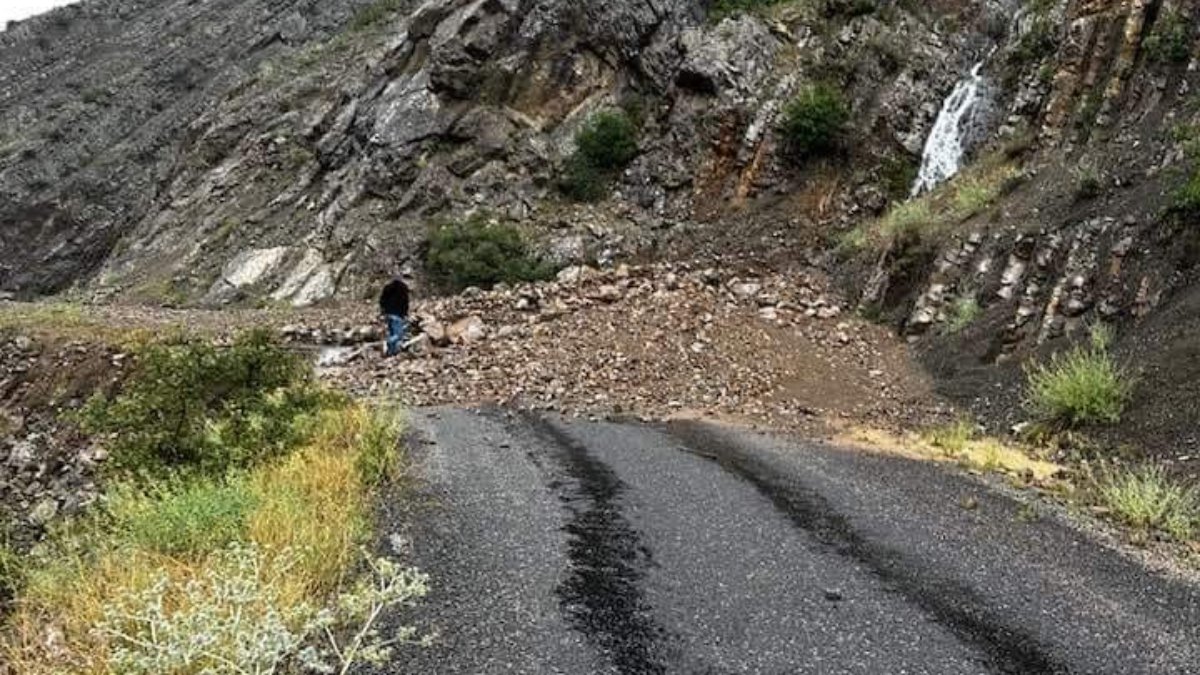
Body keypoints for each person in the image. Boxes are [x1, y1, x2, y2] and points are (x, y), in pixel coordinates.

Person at [378, 274, 411, 357]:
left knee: (392, 332)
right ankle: (388, 342)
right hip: (398, 314)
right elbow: (405, 302)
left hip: (388, 313)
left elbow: (382, 300)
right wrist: (405, 313)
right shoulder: (403, 288)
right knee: (399, 334)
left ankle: (391, 352)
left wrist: (383, 311)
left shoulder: (387, 288)